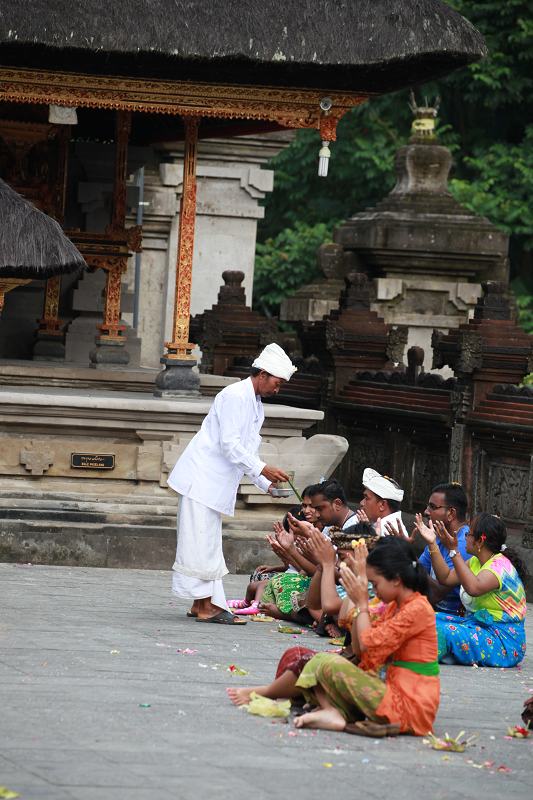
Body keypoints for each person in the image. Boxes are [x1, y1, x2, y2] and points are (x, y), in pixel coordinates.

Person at [229, 538, 440, 737]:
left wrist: (362, 604)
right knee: (319, 660)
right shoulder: (395, 605)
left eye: (375, 584)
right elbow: (359, 648)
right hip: (389, 690)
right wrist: (360, 603)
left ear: (396, 579)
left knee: (326, 662)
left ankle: (301, 702)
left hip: (409, 705)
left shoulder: (418, 608)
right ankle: (327, 709)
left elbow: (364, 643)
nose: (373, 590)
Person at [167, 342, 295, 624]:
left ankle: (202, 603)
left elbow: (248, 451)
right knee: (201, 543)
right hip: (201, 479)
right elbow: (230, 446)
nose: (277, 389)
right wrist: (264, 470)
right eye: (277, 382)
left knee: (205, 542)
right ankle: (206, 606)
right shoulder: (236, 396)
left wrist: (266, 485)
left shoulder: (255, 404)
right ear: (262, 374)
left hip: (212, 485)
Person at [418, 511, 529, 666]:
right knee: (424, 618)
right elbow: (446, 578)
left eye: (469, 535)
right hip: (479, 628)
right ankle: (450, 653)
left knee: (443, 632)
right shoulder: (476, 561)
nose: (465, 538)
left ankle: (420, 655)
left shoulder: (499, 567)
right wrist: (433, 543)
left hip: (503, 641)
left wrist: (454, 551)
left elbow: (473, 588)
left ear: (480, 541)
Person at [388, 482, 470, 614]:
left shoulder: (465, 544)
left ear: (451, 513)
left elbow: (436, 594)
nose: (426, 511)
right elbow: (417, 578)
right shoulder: (438, 537)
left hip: (454, 617)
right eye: (428, 506)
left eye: (433, 507)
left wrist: (408, 553)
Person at [357, 468, 408, 536]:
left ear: (382, 505)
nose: (361, 503)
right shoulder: (377, 526)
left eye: (367, 498)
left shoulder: (388, 531)